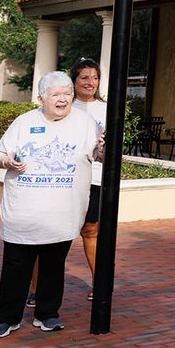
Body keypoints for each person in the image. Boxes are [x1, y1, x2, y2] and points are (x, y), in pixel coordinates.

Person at [0, 71, 102, 337]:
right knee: (16, 267)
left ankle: (47, 314)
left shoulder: (85, 122)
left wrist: (105, 148)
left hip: (62, 213)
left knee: (53, 266)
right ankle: (6, 318)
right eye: (56, 94)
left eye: (67, 93)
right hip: (23, 213)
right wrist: (8, 161)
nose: (63, 99)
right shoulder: (24, 122)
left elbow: (98, 154)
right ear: (40, 98)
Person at [68, 58, 106, 302]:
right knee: (51, 233)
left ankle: (100, 284)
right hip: (65, 179)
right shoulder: (63, 105)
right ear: (74, 81)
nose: (90, 82)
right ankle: (37, 289)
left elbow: (112, 149)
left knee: (91, 230)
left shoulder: (106, 108)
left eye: (94, 77)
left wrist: (103, 150)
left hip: (96, 178)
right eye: (84, 77)